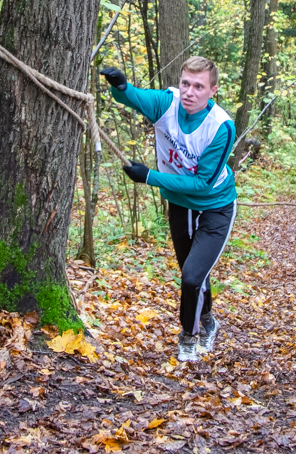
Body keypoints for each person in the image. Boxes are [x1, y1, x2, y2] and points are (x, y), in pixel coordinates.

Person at [100, 57, 236, 363]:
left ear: (212, 90)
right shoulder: (168, 103)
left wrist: (149, 176)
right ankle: (209, 319)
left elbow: (202, 183)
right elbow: (134, 96)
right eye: (186, 83)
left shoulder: (221, 127)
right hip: (179, 204)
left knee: (191, 277)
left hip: (215, 206)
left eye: (198, 86)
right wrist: (121, 86)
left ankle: (189, 337)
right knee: (194, 274)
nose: (189, 91)